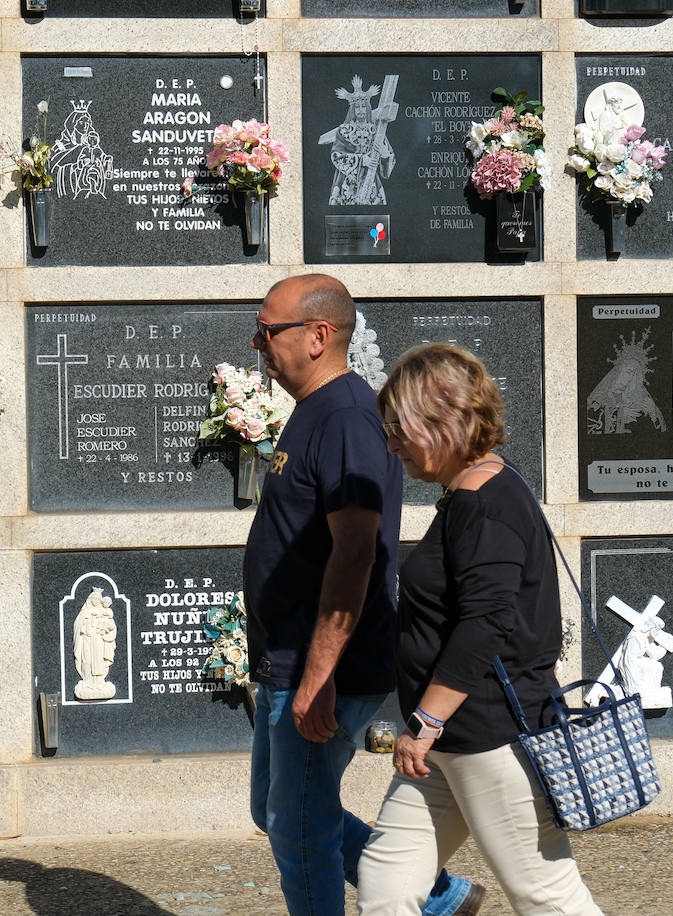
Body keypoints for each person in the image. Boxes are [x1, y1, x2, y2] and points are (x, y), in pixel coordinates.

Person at [244, 275, 482, 916]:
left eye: (267, 331)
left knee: (299, 826)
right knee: (277, 809)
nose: (257, 343)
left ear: (317, 336)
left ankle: (433, 896)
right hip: (288, 659)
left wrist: (319, 676)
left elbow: (356, 553)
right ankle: (442, 897)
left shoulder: (347, 416)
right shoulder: (317, 410)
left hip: (322, 666)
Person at [358, 343, 601, 916]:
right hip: (446, 742)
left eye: (399, 429)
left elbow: (486, 624)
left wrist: (425, 722)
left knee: (546, 898)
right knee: (387, 881)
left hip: (489, 738)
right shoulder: (473, 492)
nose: (392, 446)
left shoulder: (483, 503)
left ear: (442, 419)